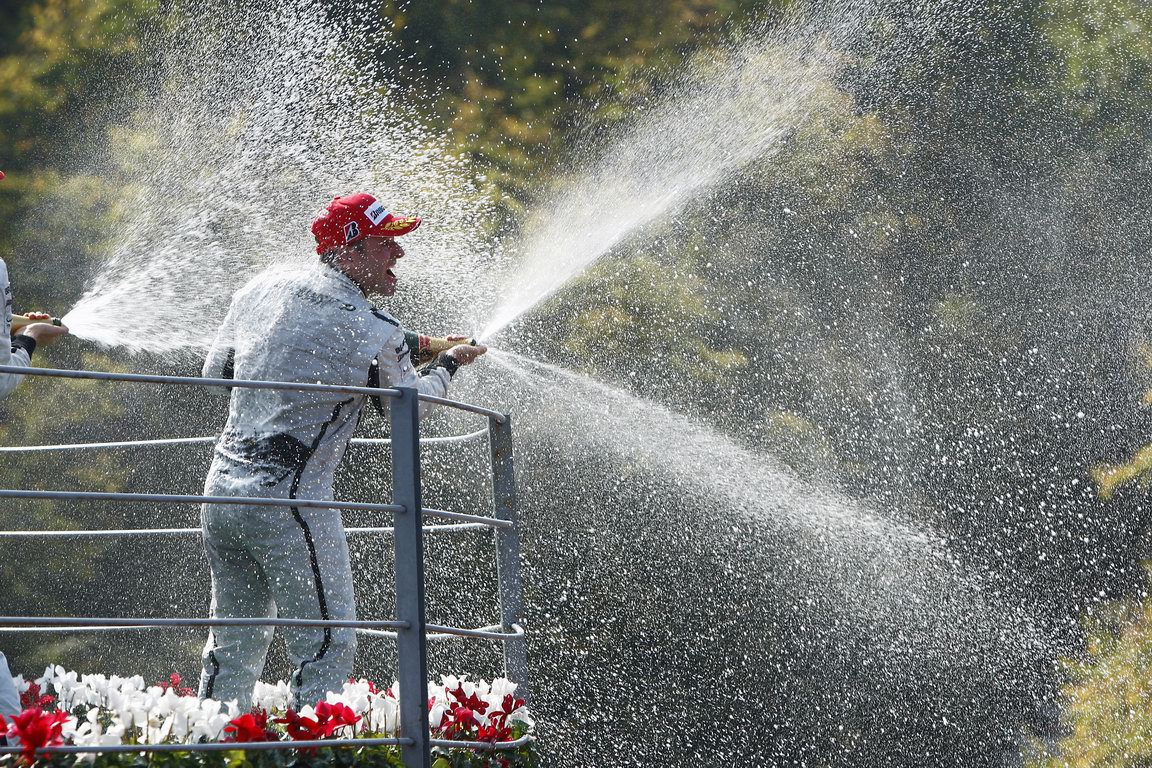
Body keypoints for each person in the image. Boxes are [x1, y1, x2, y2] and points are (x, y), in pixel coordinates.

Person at [197, 193, 486, 708]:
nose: (398, 254)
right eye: (384, 244)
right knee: (328, 643)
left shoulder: (262, 286)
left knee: (232, 646)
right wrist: (451, 363)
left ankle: (210, 749)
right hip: (293, 502)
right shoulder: (375, 329)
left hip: (221, 495)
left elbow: (218, 374)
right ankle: (313, 756)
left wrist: (420, 343)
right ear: (349, 250)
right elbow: (408, 411)